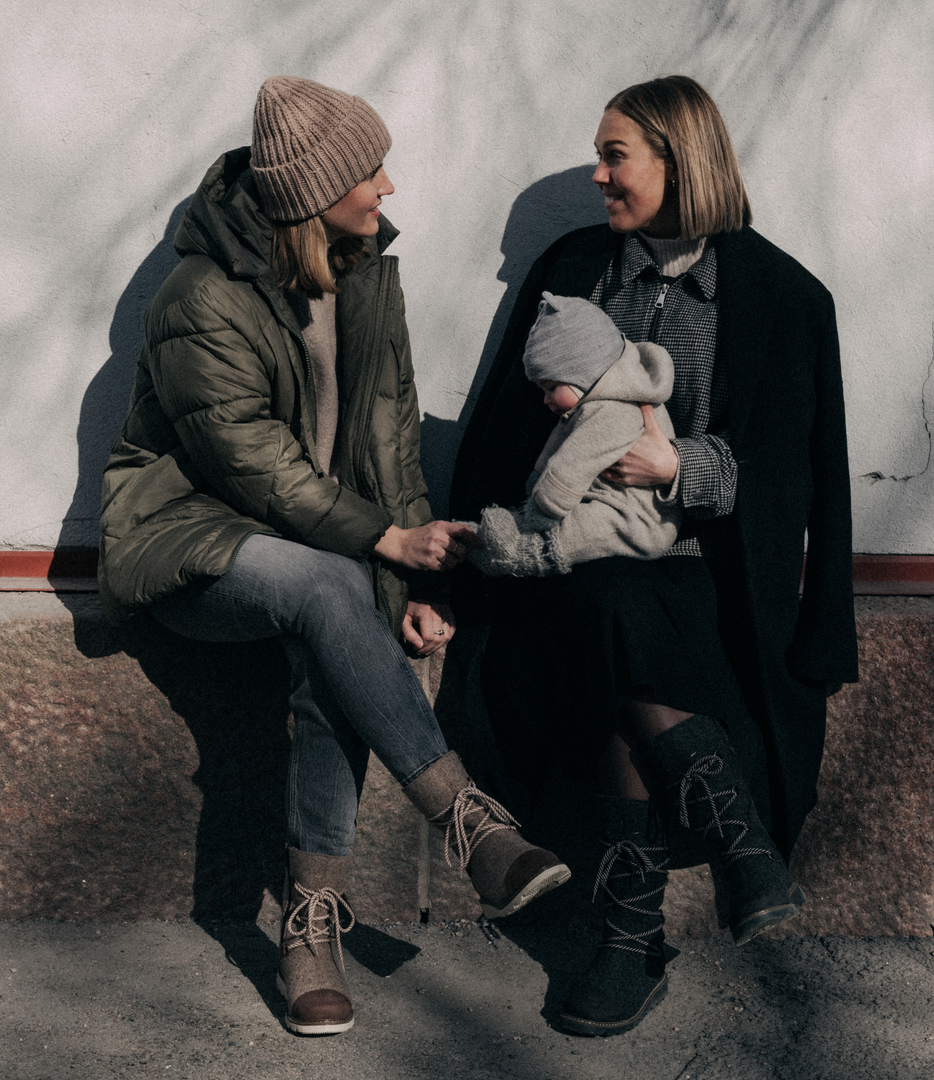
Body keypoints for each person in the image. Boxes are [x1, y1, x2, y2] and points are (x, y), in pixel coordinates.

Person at [98, 76, 569, 1037]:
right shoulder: (202, 297)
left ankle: (308, 928)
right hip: (193, 539)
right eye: (370, 171)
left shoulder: (365, 278)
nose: (388, 187)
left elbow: (389, 444)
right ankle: (468, 819)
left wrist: (407, 576)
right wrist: (380, 540)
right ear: (313, 194)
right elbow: (250, 462)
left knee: (334, 622)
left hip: (326, 557)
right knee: (325, 582)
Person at [450, 75, 857, 1037]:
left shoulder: (784, 297)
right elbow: (501, 433)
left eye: (614, 155)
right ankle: (736, 842)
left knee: (622, 609)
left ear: (682, 159)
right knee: (608, 599)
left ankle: (629, 934)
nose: (597, 175)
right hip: (574, 566)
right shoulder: (575, 270)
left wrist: (682, 466)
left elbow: (802, 470)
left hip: (712, 580)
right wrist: (445, 575)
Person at [465, 291, 679, 576]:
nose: (546, 399)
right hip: (604, 497)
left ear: (585, 374)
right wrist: (535, 494)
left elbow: (572, 465)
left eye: (551, 387)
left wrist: (541, 512)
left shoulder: (615, 411)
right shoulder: (592, 400)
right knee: (575, 514)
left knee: (587, 526)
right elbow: (557, 448)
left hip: (639, 522)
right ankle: (502, 536)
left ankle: (523, 555)